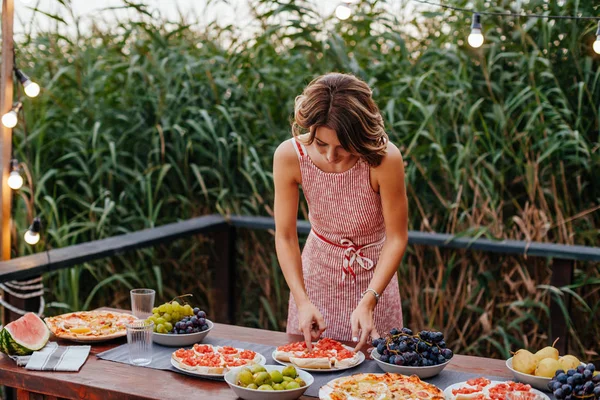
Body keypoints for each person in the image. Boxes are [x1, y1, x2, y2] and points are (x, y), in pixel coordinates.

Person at [273, 72, 408, 352]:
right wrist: (302, 301)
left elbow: (397, 237)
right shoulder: (290, 155)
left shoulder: (384, 159)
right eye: (321, 144)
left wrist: (370, 298)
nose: (331, 156)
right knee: (307, 368)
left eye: (343, 147)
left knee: (378, 381)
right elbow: (285, 236)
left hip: (375, 281)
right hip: (314, 280)